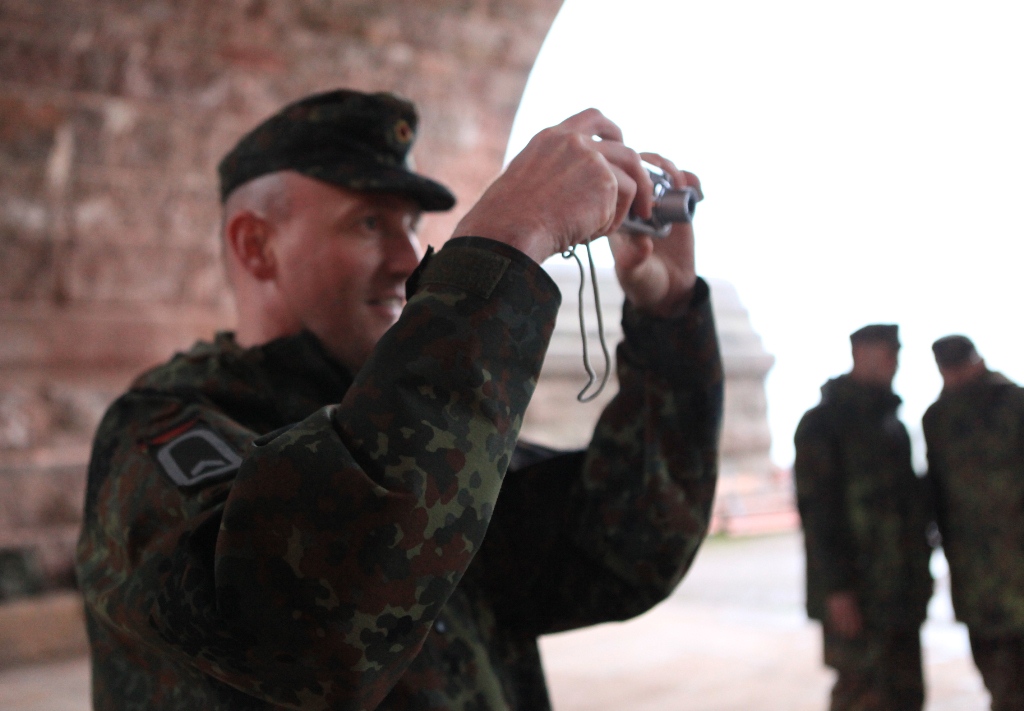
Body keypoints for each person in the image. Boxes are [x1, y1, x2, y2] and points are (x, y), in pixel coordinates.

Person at [75, 89, 723, 710]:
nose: (409, 256)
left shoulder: (407, 411)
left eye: (411, 225)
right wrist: (504, 244)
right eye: (368, 223)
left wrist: (668, 320)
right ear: (256, 245)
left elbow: (621, 546)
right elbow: (308, 626)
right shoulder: (160, 426)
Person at [793, 324, 933, 711]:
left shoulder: (892, 426)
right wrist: (837, 588)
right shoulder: (823, 424)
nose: (893, 362)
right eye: (885, 353)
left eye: (896, 353)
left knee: (906, 694)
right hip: (857, 595)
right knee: (862, 695)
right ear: (859, 354)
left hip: (900, 592)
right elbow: (818, 512)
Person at [924, 335, 1024, 711]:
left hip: (1016, 568)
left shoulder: (1016, 404)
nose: (953, 376)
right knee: (1001, 683)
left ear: (975, 361)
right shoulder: (937, 418)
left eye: (958, 366)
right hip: (976, 582)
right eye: (946, 369)